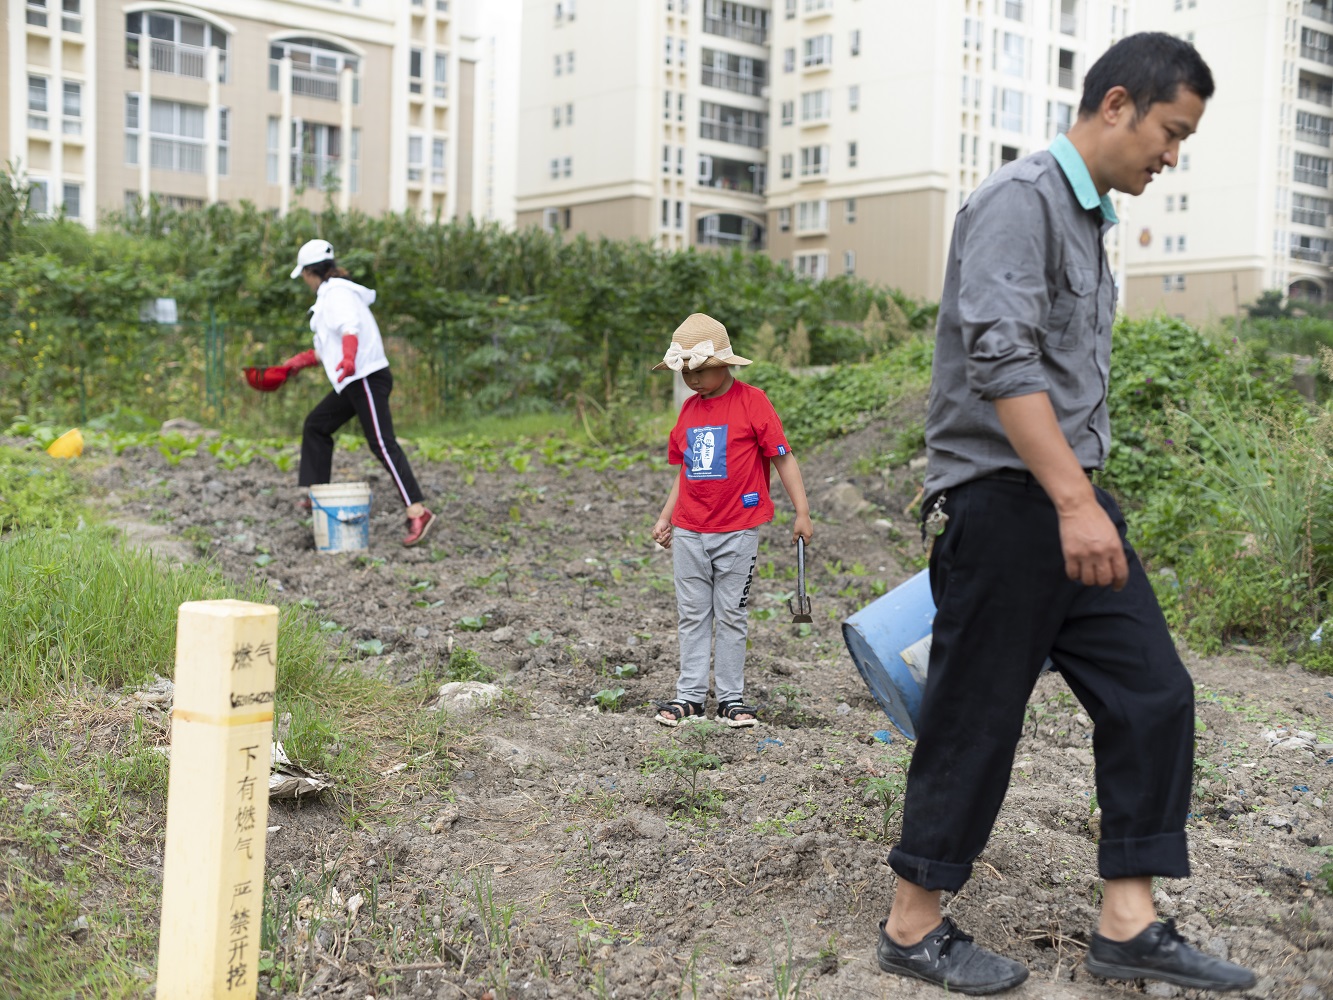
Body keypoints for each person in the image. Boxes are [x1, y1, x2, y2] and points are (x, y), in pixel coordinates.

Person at [874, 34, 1257, 995]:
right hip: (1010, 504)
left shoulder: (1086, 221)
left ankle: (1127, 922)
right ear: (1117, 104)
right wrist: (1073, 502)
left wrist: (1085, 501)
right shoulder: (1019, 202)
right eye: (1170, 133)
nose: (1171, 157)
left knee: (1154, 694)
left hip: (1074, 500)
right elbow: (1002, 362)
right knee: (976, 715)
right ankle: (911, 925)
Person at [650, 313, 812, 728]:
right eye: (686, 371)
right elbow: (684, 470)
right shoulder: (688, 411)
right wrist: (666, 517)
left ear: (726, 363)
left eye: (702, 369)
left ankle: (730, 699)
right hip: (689, 529)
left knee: (732, 614)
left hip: (737, 531)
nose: (694, 379)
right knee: (692, 614)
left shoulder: (753, 402)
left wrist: (802, 511)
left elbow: (782, 456)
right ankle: (689, 696)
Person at [274, 239, 435, 548]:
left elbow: (350, 330)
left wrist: (349, 359)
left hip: (365, 377)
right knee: (317, 425)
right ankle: (317, 494)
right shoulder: (330, 296)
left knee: (382, 444)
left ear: (310, 272)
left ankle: (418, 511)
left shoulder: (338, 294)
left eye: (304, 276)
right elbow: (326, 349)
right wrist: (294, 365)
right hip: (351, 380)